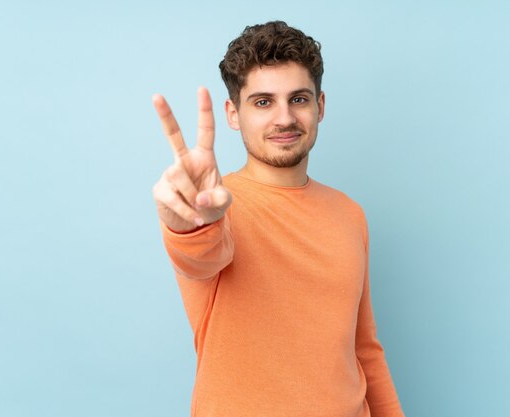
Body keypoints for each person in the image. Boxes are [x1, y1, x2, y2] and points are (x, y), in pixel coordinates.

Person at [151, 21, 405, 417]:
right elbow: (198, 256)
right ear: (234, 114)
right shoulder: (219, 209)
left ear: (320, 106)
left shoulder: (350, 214)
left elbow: (363, 348)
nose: (284, 118)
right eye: (263, 102)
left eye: (298, 100)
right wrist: (189, 222)